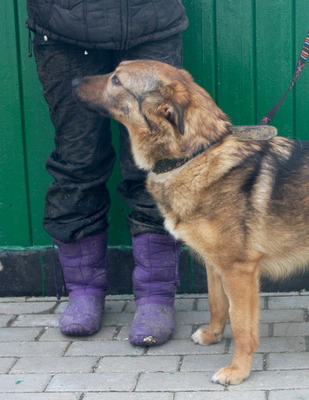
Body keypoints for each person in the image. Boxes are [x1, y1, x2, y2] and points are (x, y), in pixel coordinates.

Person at [26, 0, 189, 347]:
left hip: (151, 22)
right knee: (77, 161)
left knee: (155, 165)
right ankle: (83, 291)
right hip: (64, 27)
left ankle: (156, 295)